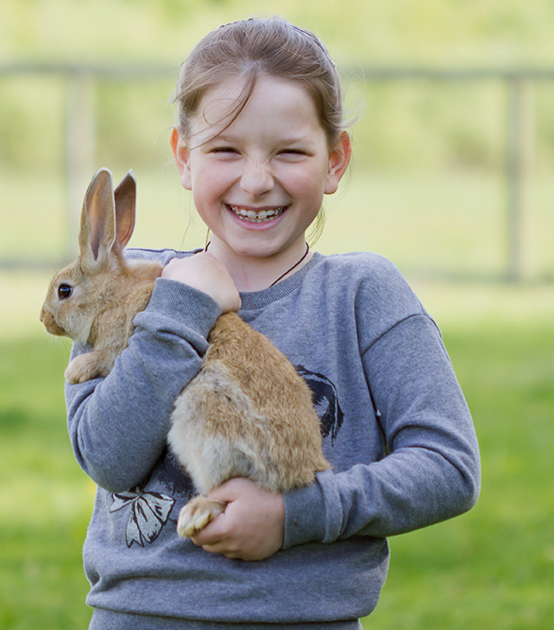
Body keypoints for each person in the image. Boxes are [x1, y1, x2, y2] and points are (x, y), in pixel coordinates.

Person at [63, 16, 480, 629]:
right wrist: (179, 311)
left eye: (289, 151)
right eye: (226, 150)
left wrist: (296, 515)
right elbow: (109, 457)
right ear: (183, 157)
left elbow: (449, 466)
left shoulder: (363, 295)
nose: (257, 182)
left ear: (335, 160)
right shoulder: (121, 291)